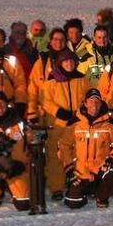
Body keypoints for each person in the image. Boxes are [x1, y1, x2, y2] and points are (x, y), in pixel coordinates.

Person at [59, 88, 113, 209]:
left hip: (102, 169)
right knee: (73, 203)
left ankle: (101, 197)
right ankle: (86, 192)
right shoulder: (74, 123)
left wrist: (112, 158)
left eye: (97, 101)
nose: (94, 105)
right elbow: (64, 145)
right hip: (81, 172)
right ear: (85, 103)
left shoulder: (111, 123)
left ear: (101, 103)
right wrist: (69, 169)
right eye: (91, 101)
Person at [41, 49, 90, 201]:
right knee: (55, 155)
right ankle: (57, 187)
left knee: (77, 154)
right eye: (65, 61)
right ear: (60, 63)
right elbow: (45, 100)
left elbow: (88, 97)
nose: (69, 64)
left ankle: (76, 183)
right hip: (58, 123)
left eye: (71, 61)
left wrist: (81, 113)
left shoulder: (82, 79)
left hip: (77, 123)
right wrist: (59, 112)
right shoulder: (52, 80)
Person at [27, 28, 68, 121]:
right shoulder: (42, 62)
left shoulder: (72, 62)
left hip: (66, 113)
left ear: (66, 42)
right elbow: (32, 88)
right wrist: (31, 111)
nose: (59, 42)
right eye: (55, 39)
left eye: (62, 40)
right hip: (45, 113)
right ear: (50, 41)